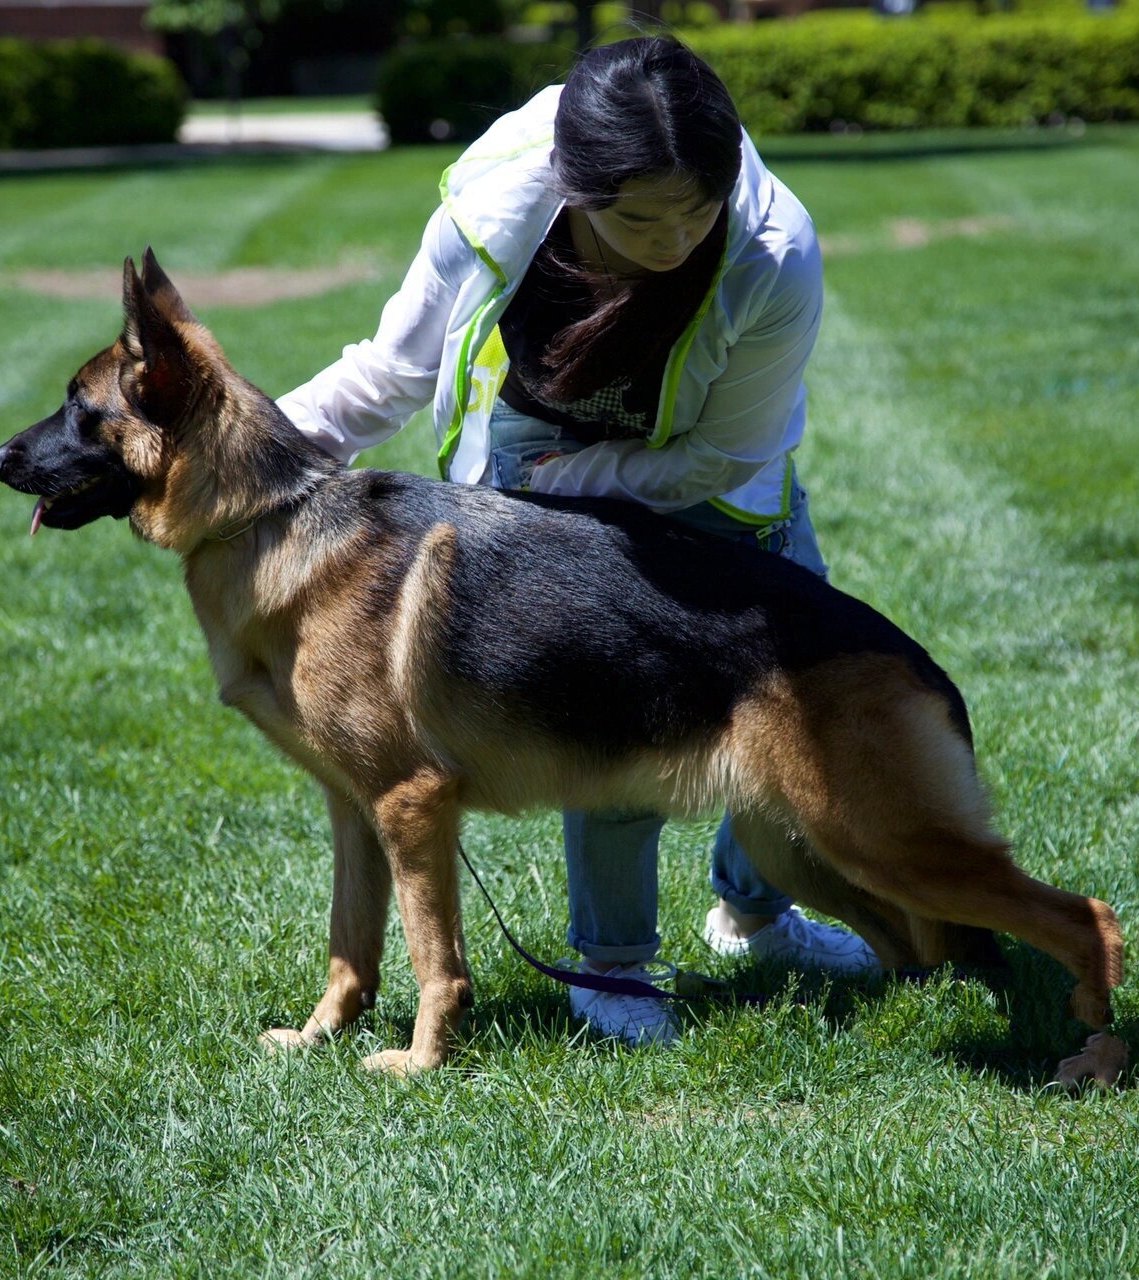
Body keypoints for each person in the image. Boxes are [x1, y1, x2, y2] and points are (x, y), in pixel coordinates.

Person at [276, 35, 875, 1047]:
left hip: (715, 476)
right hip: (537, 449)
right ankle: (615, 969)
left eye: (697, 210)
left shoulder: (774, 253)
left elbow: (720, 459)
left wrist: (571, 485)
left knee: (802, 702)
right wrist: (251, 458)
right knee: (624, 704)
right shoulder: (495, 207)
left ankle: (757, 913)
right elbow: (388, 373)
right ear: (574, 188)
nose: (674, 238)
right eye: (639, 217)